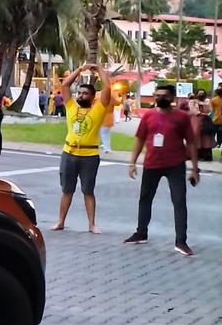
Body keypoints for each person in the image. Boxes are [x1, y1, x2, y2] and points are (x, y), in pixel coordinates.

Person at [125, 84, 199, 256]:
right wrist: (132, 163)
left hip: (175, 164)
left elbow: (192, 143)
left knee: (179, 201)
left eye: (164, 95)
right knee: (145, 198)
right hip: (152, 164)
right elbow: (139, 139)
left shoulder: (182, 117)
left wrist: (195, 169)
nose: (160, 98)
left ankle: (181, 241)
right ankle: (141, 233)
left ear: (172, 98)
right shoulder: (149, 116)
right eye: (157, 95)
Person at [50, 63, 114, 234]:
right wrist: (80, 69)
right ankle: (61, 221)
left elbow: (108, 87)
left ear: (93, 97)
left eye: (85, 93)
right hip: (69, 152)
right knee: (67, 190)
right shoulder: (71, 106)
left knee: (88, 190)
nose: (81, 95)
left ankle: (92, 224)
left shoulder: (99, 109)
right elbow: (64, 85)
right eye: (80, 93)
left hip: (89, 155)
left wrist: (99, 69)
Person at [188, 90, 214, 163]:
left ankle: (206, 156)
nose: (201, 94)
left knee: (206, 138)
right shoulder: (192, 101)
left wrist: (205, 109)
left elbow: (209, 110)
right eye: (200, 93)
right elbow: (194, 111)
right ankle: (195, 155)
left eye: (202, 93)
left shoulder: (206, 102)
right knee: (196, 137)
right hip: (195, 121)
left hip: (205, 122)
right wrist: (203, 113)